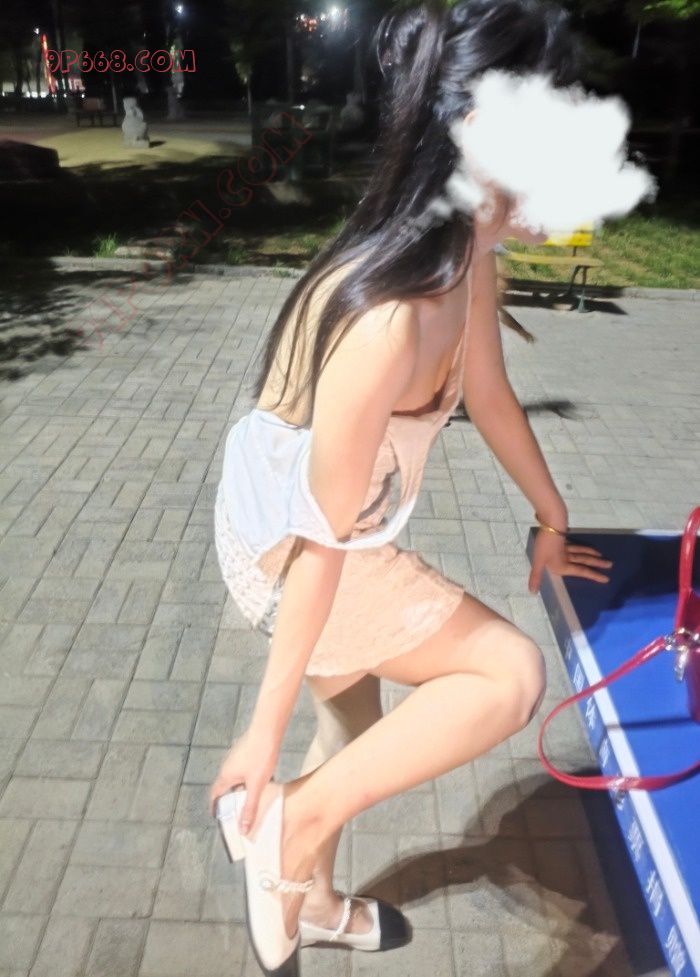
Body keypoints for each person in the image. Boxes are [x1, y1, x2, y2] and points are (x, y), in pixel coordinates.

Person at [207, 1, 640, 973]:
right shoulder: (389, 322)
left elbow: (489, 394)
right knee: (507, 676)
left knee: (353, 723)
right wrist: (259, 736)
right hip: (295, 540)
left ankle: (311, 897)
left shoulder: (464, 253)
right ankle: (287, 826)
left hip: (326, 518)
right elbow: (320, 544)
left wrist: (552, 514)